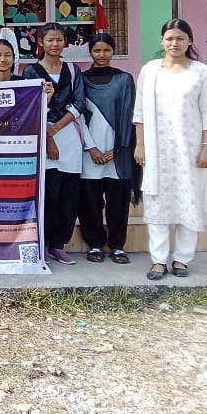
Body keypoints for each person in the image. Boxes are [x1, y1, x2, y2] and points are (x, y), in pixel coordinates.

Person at [134, 19, 207, 280]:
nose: (174, 43)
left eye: (180, 38)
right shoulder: (150, 70)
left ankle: (182, 258)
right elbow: (139, 112)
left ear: (190, 41)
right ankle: (158, 261)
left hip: (190, 150)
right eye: (169, 38)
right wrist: (140, 145)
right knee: (157, 203)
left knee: (188, 201)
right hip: (157, 151)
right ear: (162, 40)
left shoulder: (200, 72)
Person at [24, 23, 86, 266]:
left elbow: (79, 103)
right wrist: (48, 136)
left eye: (59, 39)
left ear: (65, 42)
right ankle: (43, 242)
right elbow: (31, 105)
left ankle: (59, 245)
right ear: (41, 42)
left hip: (69, 134)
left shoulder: (73, 70)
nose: (54, 44)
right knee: (48, 192)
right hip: (42, 133)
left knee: (69, 193)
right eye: (49, 40)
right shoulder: (31, 71)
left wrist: (56, 128)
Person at [78, 33, 135, 265]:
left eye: (106, 50)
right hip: (89, 152)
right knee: (90, 202)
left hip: (118, 153)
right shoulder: (81, 80)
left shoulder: (124, 79)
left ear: (113, 51)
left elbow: (129, 116)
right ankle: (94, 244)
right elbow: (77, 115)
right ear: (90, 52)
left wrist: (117, 149)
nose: (101, 55)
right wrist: (91, 148)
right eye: (97, 50)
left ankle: (117, 246)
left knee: (118, 202)